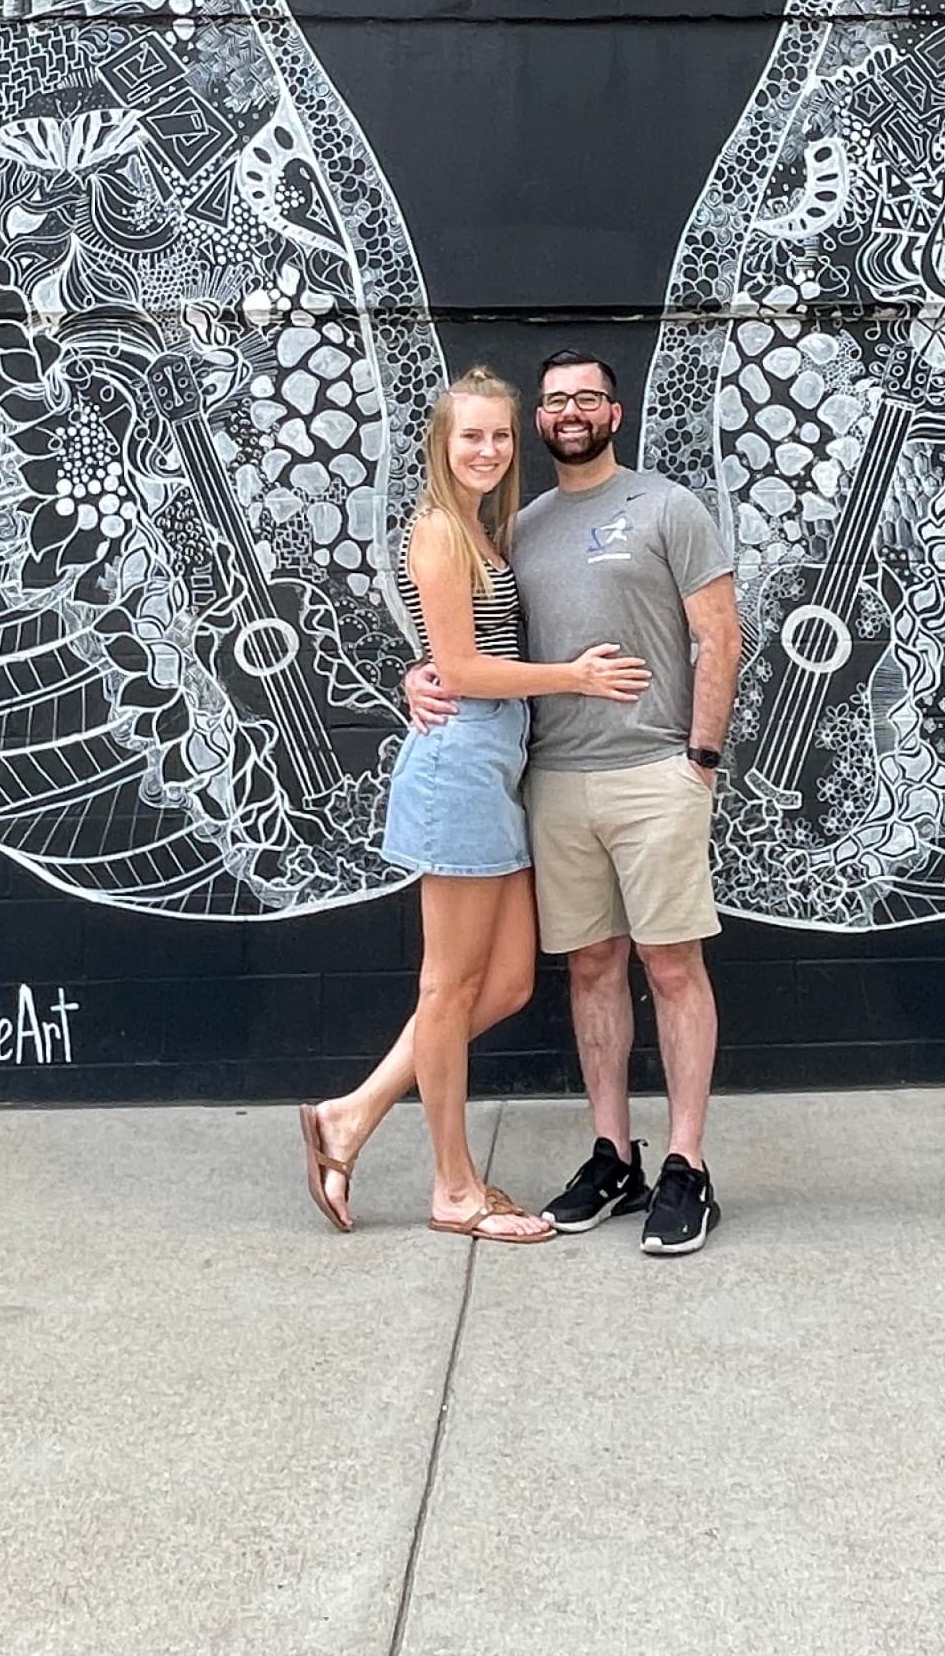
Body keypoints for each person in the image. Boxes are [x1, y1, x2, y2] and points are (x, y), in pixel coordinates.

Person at [298, 365, 650, 1245]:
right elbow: (458, 671)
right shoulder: (440, 534)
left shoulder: (487, 533)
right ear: (441, 445)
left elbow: (442, 659)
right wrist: (572, 678)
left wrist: (430, 672)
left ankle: (353, 1112)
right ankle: (452, 1187)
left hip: (498, 763)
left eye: (499, 434)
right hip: (461, 766)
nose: (487, 449)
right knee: (449, 987)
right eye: (471, 436)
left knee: (508, 982)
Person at [409, 349, 743, 1258]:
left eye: (585, 397)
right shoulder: (518, 525)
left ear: (614, 411)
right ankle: (613, 1152)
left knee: (672, 969)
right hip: (552, 780)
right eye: (553, 400)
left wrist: (699, 761)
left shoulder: (667, 507)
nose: (568, 411)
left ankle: (686, 1165)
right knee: (591, 968)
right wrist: (425, 673)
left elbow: (720, 636)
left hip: (653, 774)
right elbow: (471, 637)